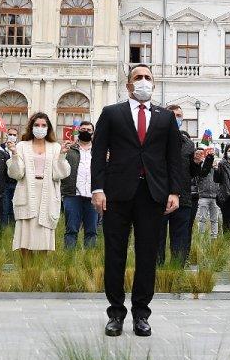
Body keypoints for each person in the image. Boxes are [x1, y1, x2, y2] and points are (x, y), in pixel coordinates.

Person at [91, 64, 183, 338]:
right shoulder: (112, 113)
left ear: (153, 84)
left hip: (152, 195)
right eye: (138, 78)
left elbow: (173, 159)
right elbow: (98, 153)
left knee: (147, 256)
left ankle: (141, 314)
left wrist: (174, 191)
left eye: (148, 78)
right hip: (117, 194)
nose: (143, 81)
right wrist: (98, 188)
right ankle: (116, 313)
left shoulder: (165, 118)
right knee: (115, 254)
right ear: (129, 84)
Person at [7, 112, 70, 257]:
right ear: (31, 127)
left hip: (47, 194)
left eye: (43, 125)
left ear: (48, 128)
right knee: (25, 237)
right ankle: (27, 274)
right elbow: (17, 174)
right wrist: (15, 154)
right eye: (37, 125)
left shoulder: (55, 147)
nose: (40, 128)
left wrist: (62, 155)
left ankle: (40, 273)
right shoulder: (22, 146)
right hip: (27, 192)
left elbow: (60, 174)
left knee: (44, 236)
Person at [156, 104, 199, 266]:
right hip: (159, 196)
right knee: (157, 239)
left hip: (183, 197)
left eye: (179, 115)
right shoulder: (154, 140)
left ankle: (177, 272)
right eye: (173, 115)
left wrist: (196, 162)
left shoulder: (188, 143)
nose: (176, 118)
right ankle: (157, 273)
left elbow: (193, 172)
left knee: (180, 239)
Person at [61, 120, 98, 249]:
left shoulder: (99, 150)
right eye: (83, 129)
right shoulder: (70, 149)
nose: (86, 132)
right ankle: (69, 261)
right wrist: (62, 153)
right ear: (78, 131)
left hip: (93, 196)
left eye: (89, 130)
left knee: (92, 231)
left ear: (93, 132)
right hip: (72, 194)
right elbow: (60, 167)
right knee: (71, 229)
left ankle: (89, 260)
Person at [193, 147, 220, 238]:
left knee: (214, 220)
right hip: (203, 196)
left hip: (214, 197)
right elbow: (200, 175)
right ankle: (201, 238)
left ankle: (214, 238)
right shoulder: (200, 167)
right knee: (202, 219)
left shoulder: (215, 167)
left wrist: (216, 168)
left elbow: (219, 179)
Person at [0, 127, 20, 222]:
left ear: (17, 137)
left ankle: (13, 229)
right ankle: (3, 230)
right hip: (5, 182)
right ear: (6, 135)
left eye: (14, 135)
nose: (12, 136)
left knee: (14, 207)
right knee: (4, 207)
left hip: (17, 182)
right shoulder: (1, 148)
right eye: (10, 134)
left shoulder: (19, 149)